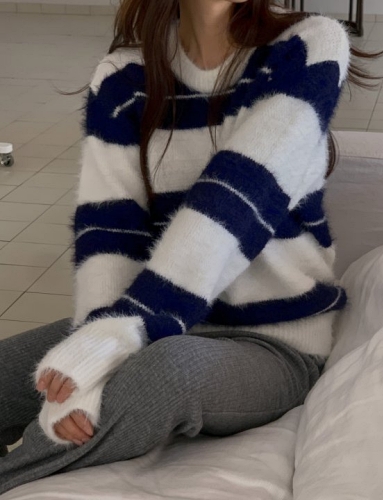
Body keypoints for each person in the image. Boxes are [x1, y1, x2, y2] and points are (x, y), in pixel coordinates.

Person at [0, 0, 354, 493]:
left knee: (161, 376)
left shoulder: (308, 46)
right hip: (155, 322)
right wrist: (94, 343)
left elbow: (236, 200)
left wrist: (118, 339)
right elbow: (110, 235)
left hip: (274, 343)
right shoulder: (122, 78)